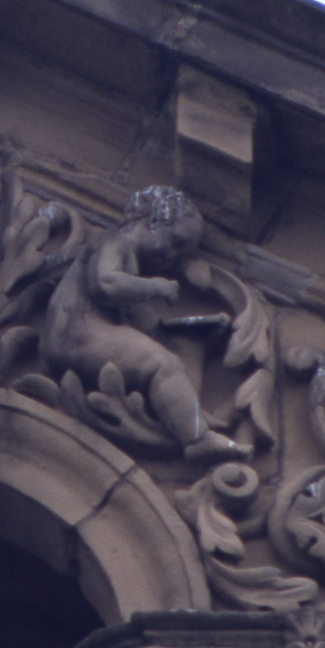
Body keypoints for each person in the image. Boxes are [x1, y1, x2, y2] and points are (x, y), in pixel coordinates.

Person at [39, 184, 237, 462]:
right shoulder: (111, 241)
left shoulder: (131, 270)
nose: (172, 256)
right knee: (161, 363)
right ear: (154, 220)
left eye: (181, 254)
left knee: (173, 355)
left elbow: (149, 327)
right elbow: (106, 284)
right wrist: (155, 286)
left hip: (84, 336)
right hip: (76, 334)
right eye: (175, 242)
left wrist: (196, 327)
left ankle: (188, 413)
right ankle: (196, 438)